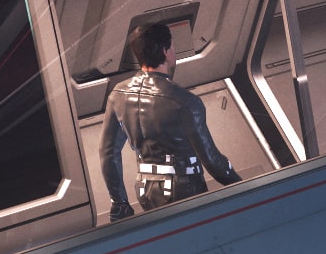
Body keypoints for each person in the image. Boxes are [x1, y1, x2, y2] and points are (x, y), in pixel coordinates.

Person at [100, 22, 240, 221]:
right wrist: (244, 188)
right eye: (172, 45)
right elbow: (212, 161)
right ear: (165, 51)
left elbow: (108, 153)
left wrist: (119, 202)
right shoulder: (185, 102)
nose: (174, 50)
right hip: (185, 190)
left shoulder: (118, 94)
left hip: (145, 190)